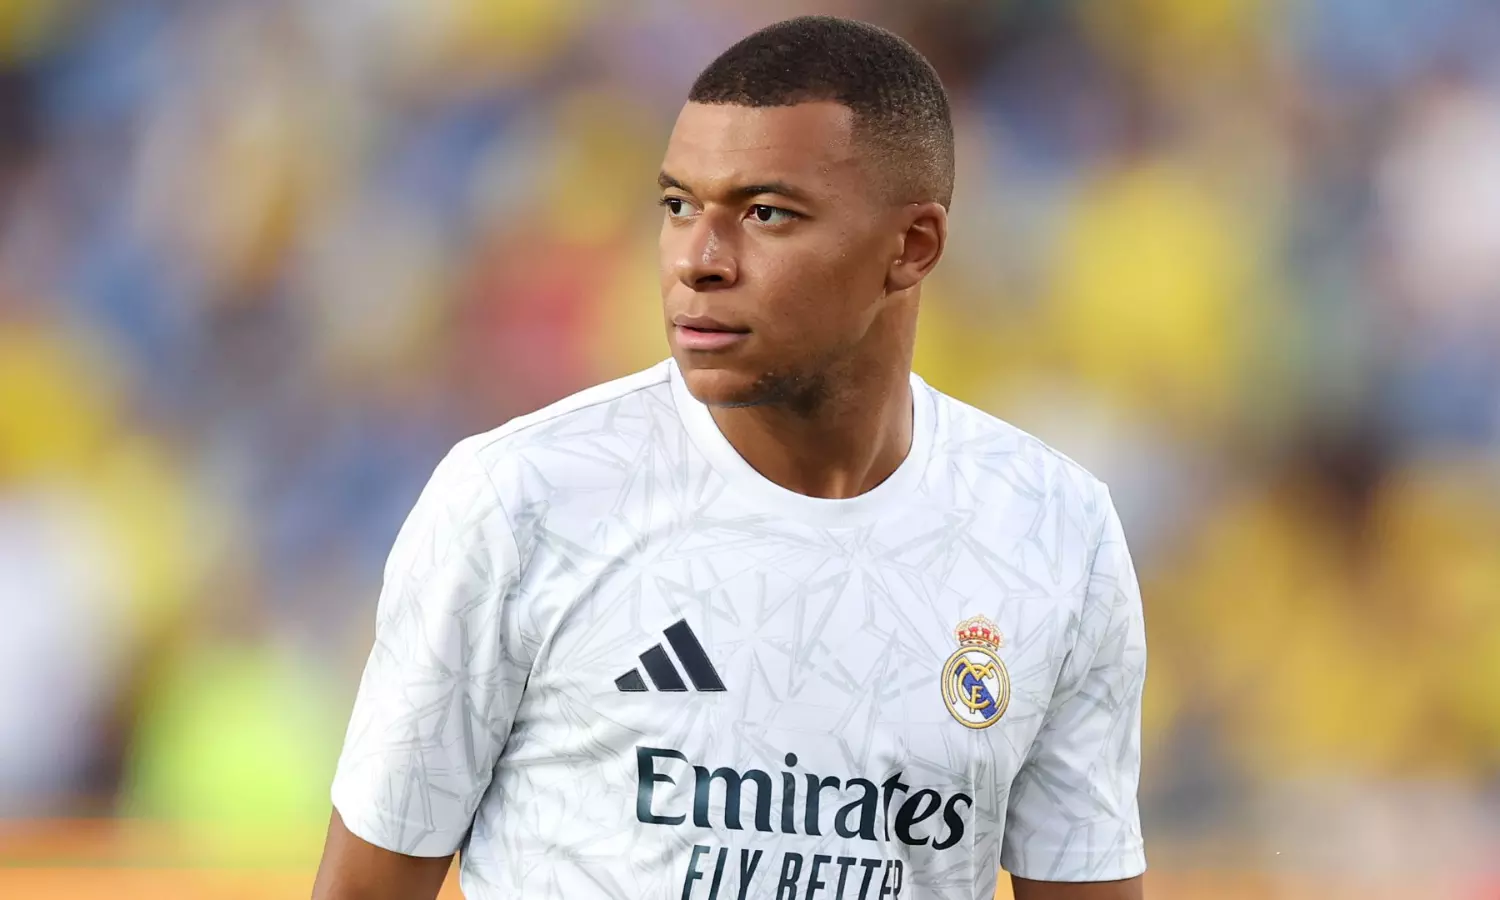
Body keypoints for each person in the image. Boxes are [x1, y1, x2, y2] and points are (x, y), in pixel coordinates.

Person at [312, 15, 1146, 900]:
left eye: (765, 214)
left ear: (912, 248)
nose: (699, 261)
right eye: (678, 206)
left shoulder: (1054, 529)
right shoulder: (521, 501)